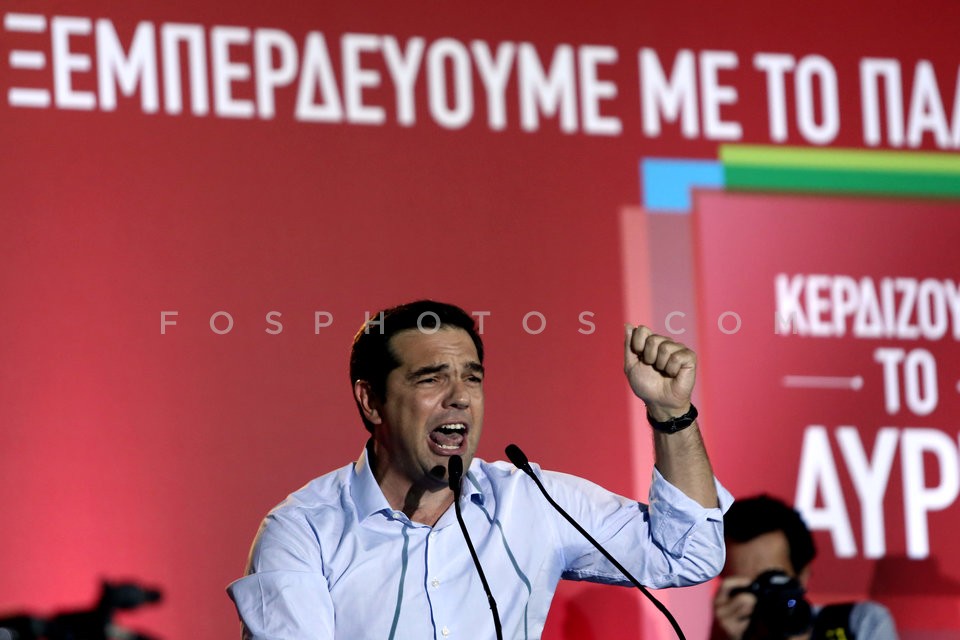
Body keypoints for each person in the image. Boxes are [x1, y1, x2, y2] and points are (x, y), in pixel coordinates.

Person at [227, 300, 732, 639]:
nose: (460, 398)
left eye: (472, 378)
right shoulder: (304, 532)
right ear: (371, 400)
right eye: (431, 378)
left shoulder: (531, 501)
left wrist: (671, 414)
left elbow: (685, 554)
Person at [711, 495, 898, 640]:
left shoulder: (858, 623)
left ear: (803, 575)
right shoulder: (721, 634)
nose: (762, 598)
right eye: (748, 588)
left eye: (772, 582)